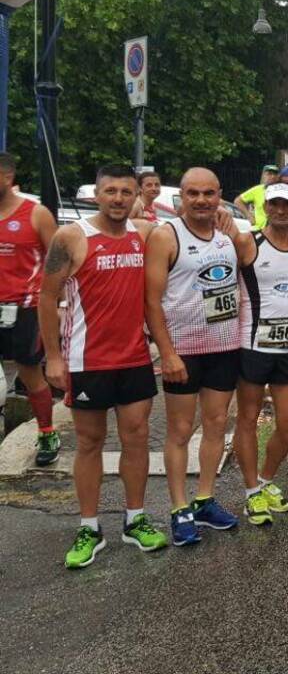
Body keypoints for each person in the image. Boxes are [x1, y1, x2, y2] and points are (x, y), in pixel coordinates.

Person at [39, 164, 168, 569]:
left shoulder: (144, 234)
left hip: (134, 358)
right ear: (96, 194)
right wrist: (54, 358)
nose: (117, 198)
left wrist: (222, 218)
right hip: (86, 360)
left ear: (136, 197)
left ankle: (135, 519)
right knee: (90, 442)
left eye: (125, 192)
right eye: (110, 191)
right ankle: (89, 526)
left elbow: (193, 228)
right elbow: (46, 298)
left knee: (136, 438)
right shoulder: (72, 237)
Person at [144, 168, 241, 546]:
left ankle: (204, 499)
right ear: (181, 197)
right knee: (181, 431)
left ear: (219, 195)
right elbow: (151, 301)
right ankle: (179, 508)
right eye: (193, 193)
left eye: (209, 193)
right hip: (182, 351)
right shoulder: (166, 236)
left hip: (223, 347)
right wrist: (166, 353)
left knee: (216, 424)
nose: (201, 200)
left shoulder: (228, 236)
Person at [231, 181, 288, 525]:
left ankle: (266, 480)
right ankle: (250, 493)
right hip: (252, 346)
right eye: (274, 204)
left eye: (287, 205)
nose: (280, 210)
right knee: (246, 419)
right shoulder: (248, 242)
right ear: (265, 206)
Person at [0, 152, 60, 466]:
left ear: (7, 178)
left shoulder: (35, 214)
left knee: (30, 374)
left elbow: (58, 260)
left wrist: (59, 303)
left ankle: (47, 431)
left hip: (26, 306)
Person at [234, 164, 279, 230]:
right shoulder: (257, 190)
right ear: (263, 176)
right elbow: (238, 201)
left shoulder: (281, 192)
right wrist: (249, 216)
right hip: (259, 230)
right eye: (269, 174)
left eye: (275, 174)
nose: (272, 177)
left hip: (275, 231)